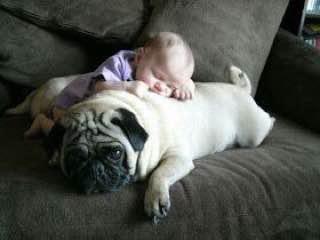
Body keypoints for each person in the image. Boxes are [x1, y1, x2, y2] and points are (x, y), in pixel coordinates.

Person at [24, 31, 195, 137]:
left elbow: (177, 79)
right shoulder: (119, 63)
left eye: (170, 85)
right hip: (73, 102)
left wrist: (187, 85)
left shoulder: (165, 78)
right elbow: (100, 87)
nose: (161, 87)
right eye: (157, 76)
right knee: (68, 134)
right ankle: (43, 122)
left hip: (98, 112)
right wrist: (127, 86)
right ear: (139, 57)